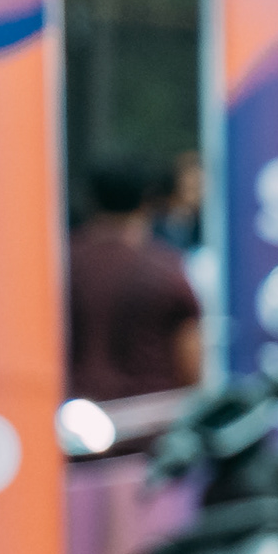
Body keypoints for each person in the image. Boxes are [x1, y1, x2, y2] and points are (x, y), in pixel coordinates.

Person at [67, 154, 205, 401]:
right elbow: (191, 365)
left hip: (73, 411)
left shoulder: (63, 265)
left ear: (90, 199)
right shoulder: (166, 269)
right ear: (147, 201)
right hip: (151, 414)